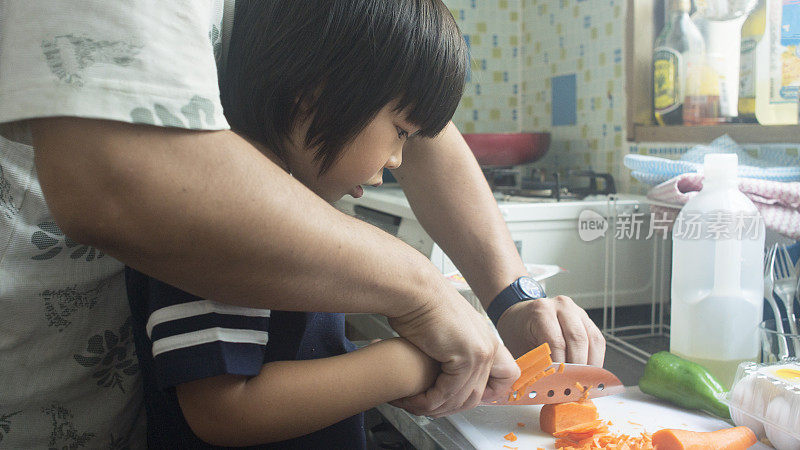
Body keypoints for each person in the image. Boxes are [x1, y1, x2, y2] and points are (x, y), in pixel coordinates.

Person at [0, 0, 604, 447]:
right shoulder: (222, 223)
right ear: (314, 94)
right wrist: (408, 354)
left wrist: (511, 299)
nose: (397, 162)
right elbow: (223, 410)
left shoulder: (295, 188)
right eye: (397, 134)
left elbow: (395, 101)